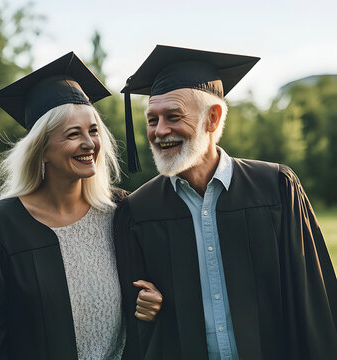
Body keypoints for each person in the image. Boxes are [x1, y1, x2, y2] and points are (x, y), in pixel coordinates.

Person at [115, 45, 337, 360]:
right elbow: (135, 316)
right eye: (152, 120)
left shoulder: (275, 189)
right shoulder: (140, 209)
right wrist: (142, 306)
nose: (159, 131)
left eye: (173, 116)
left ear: (212, 118)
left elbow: (315, 299)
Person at [0, 52, 163, 360]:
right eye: (72, 134)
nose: (89, 143)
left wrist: (153, 299)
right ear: (41, 151)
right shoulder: (3, 226)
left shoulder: (120, 210)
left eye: (93, 131)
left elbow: (154, 284)